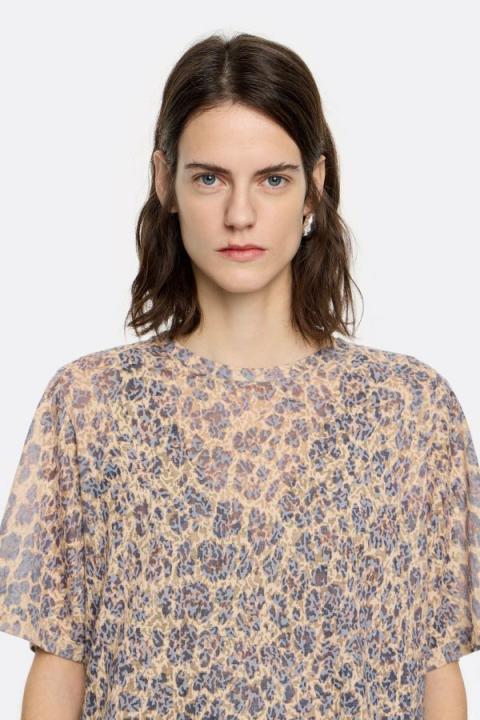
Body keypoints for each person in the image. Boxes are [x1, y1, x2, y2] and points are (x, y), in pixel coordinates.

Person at [0, 31, 477, 720]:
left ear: (314, 187)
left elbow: (436, 670)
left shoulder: (410, 410)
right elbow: (59, 667)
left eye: (272, 179)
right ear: (164, 180)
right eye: (210, 178)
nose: (240, 215)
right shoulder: (91, 406)